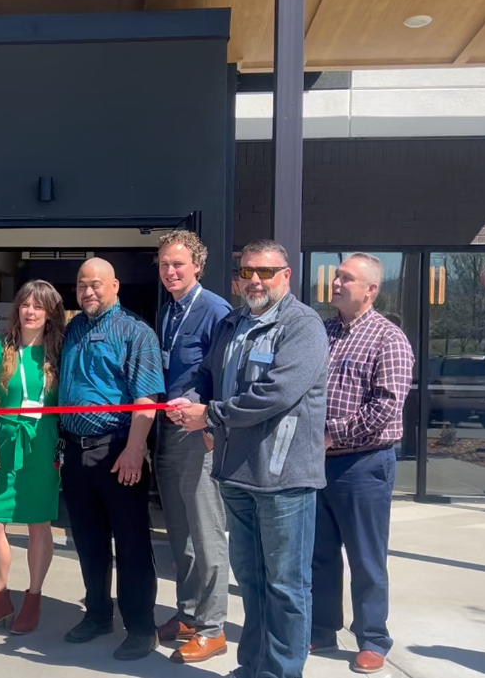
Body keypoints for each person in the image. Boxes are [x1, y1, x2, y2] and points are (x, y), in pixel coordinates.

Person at [169, 239, 329, 678]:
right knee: (254, 583)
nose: (254, 280)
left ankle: (281, 672)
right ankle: (253, 666)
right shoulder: (233, 322)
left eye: (266, 271)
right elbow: (209, 375)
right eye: (247, 272)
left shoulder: (303, 326)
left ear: (286, 275)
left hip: (284, 479)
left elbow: (276, 393)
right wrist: (191, 403)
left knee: (286, 587)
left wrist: (213, 416)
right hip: (237, 475)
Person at [57, 257, 163, 661]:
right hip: (75, 451)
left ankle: (140, 627)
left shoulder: (136, 332)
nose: (88, 291)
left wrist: (135, 450)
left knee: (132, 543)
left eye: (96, 284)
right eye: (83, 284)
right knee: (87, 541)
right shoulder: (73, 329)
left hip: (118, 450)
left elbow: (146, 398)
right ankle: (98, 614)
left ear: (115, 286)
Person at [313, 253, 413, 675]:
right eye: (336, 277)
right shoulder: (323, 332)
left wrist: (332, 434)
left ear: (371, 289)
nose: (337, 284)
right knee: (318, 553)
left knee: (366, 558)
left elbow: (386, 407)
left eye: (347, 279)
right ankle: (321, 626)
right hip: (317, 463)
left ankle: (372, 637)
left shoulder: (388, 339)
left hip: (363, 464)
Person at [152, 231, 233, 663]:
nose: (170, 271)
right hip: (168, 431)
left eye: (178, 264)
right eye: (164, 264)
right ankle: (186, 613)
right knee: (179, 533)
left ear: (197, 266)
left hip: (199, 436)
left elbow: (224, 372)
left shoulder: (215, 310)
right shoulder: (169, 311)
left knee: (206, 533)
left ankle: (213, 627)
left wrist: (212, 425)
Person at [0, 280, 65, 635]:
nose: (30, 312)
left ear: (49, 314)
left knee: (37, 523)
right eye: (25, 305)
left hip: (41, 444)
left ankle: (33, 596)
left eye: (38, 307)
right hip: (2, 441)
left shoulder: (59, 350)